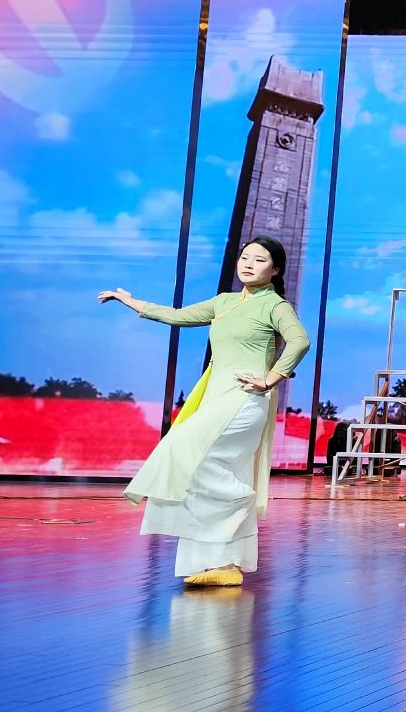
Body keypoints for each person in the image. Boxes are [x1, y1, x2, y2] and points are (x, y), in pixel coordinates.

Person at [101, 237, 311, 588]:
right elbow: (177, 316)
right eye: (245, 257)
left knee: (191, 455)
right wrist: (130, 301)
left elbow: (300, 341)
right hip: (216, 395)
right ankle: (222, 564)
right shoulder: (224, 302)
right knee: (204, 467)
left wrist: (270, 378)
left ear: (275, 270)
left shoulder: (275, 305)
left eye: (259, 260)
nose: (248, 264)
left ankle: (239, 499)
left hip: (245, 397)